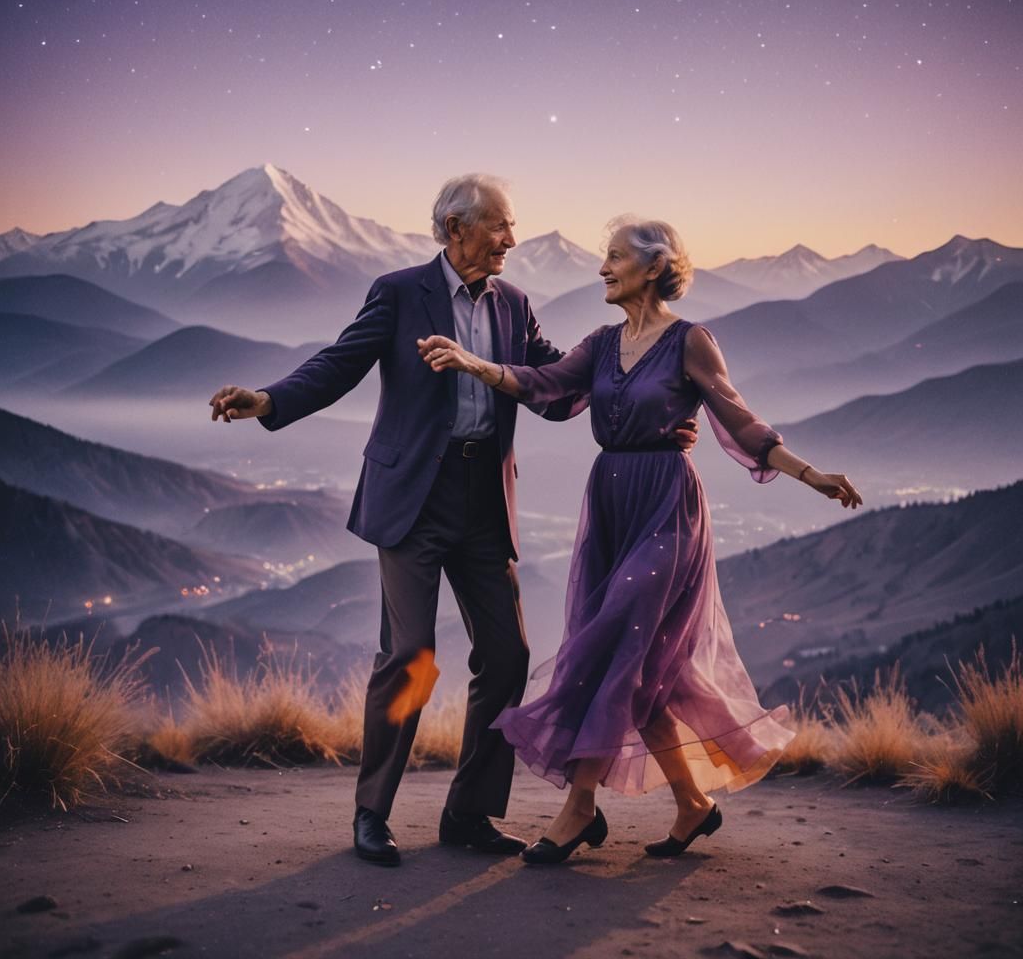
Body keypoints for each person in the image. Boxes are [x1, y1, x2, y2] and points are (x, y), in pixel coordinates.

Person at [208, 178, 699, 867]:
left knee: (508, 657)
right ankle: (371, 813)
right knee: (411, 657)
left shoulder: (514, 305)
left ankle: (469, 814)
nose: (511, 239)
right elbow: (341, 364)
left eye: (512, 226)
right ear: (454, 227)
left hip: (483, 501)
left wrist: (644, 374)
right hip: (412, 498)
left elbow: (552, 388)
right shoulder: (400, 291)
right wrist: (267, 400)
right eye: (500, 226)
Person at [418, 215, 863, 865]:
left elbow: (737, 417)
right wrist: (469, 363)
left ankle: (579, 807)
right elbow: (541, 385)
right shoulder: (601, 344)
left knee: (611, 644)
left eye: (616, 257)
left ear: (654, 267)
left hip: (666, 508)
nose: (602, 268)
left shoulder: (690, 341)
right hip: (609, 506)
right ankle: (693, 804)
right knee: (644, 666)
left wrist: (808, 473)